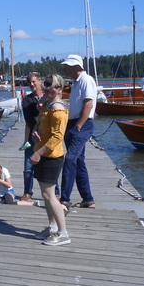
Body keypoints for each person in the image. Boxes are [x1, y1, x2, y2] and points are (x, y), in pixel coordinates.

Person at [29, 73, 70, 245]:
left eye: (52, 85)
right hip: (43, 154)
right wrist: (34, 133)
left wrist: (38, 153)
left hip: (51, 156)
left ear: (59, 88)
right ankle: (52, 227)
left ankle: (63, 233)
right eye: (46, 84)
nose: (47, 88)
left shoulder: (58, 110)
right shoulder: (47, 105)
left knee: (49, 194)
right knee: (46, 195)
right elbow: (40, 124)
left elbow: (57, 137)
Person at [59, 54, 97, 209]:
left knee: (70, 159)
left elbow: (88, 103)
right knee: (79, 161)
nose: (65, 68)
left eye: (67, 66)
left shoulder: (86, 80)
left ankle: (64, 199)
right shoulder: (76, 83)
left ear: (76, 66)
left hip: (82, 123)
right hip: (74, 122)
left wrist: (79, 125)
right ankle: (88, 199)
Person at [20, 72, 45, 202]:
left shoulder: (48, 97)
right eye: (30, 82)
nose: (32, 84)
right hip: (32, 136)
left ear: (40, 81)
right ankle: (27, 192)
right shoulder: (26, 101)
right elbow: (29, 120)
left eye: (34, 81)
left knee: (47, 164)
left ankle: (55, 192)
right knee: (28, 166)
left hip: (47, 137)